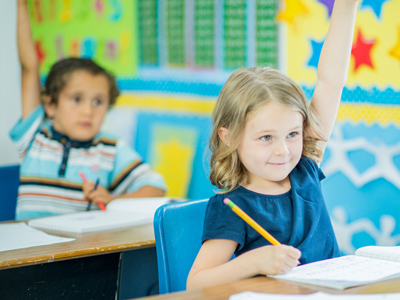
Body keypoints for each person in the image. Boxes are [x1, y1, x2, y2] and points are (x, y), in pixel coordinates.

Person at [187, 0, 358, 289]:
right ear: (228, 136)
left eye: (292, 134)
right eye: (266, 138)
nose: (284, 150)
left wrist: (346, 7)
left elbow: (331, 82)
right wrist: (253, 262)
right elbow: (196, 283)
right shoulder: (231, 206)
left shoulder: (305, 168)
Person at [11, 0, 166, 220]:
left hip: (82, 253)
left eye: (97, 102)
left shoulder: (109, 149)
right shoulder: (34, 135)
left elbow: (156, 187)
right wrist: (21, 6)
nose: (88, 111)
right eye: (76, 99)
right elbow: (29, 67)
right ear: (50, 105)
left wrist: (112, 199)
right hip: (31, 252)